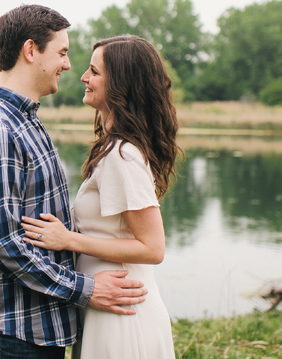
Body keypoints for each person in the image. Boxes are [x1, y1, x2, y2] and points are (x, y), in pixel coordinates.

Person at [0, 6, 148, 359]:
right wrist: (87, 289)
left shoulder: (25, 121)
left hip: (35, 333)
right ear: (31, 51)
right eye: (61, 52)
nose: (67, 64)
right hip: (11, 336)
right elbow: (4, 247)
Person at [21, 35, 182, 358]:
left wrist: (68, 240)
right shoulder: (113, 148)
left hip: (124, 315)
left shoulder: (123, 155)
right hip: (106, 306)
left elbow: (153, 247)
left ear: (121, 84)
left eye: (93, 71)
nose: (83, 77)